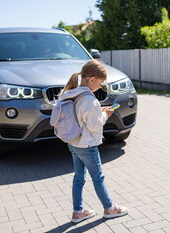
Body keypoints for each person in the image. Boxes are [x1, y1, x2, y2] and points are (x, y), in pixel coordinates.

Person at [58, 60, 129, 223]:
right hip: (87, 145)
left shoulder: (71, 92)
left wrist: (99, 111)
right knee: (98, 178)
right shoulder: (89, 99)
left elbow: (81, 116)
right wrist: (105, 115)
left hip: (73, 143)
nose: (101, 86)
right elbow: (94, 125)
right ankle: (110, 208)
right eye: (100, 83)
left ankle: (78, 211)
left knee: (78, 177)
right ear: (91, 79)